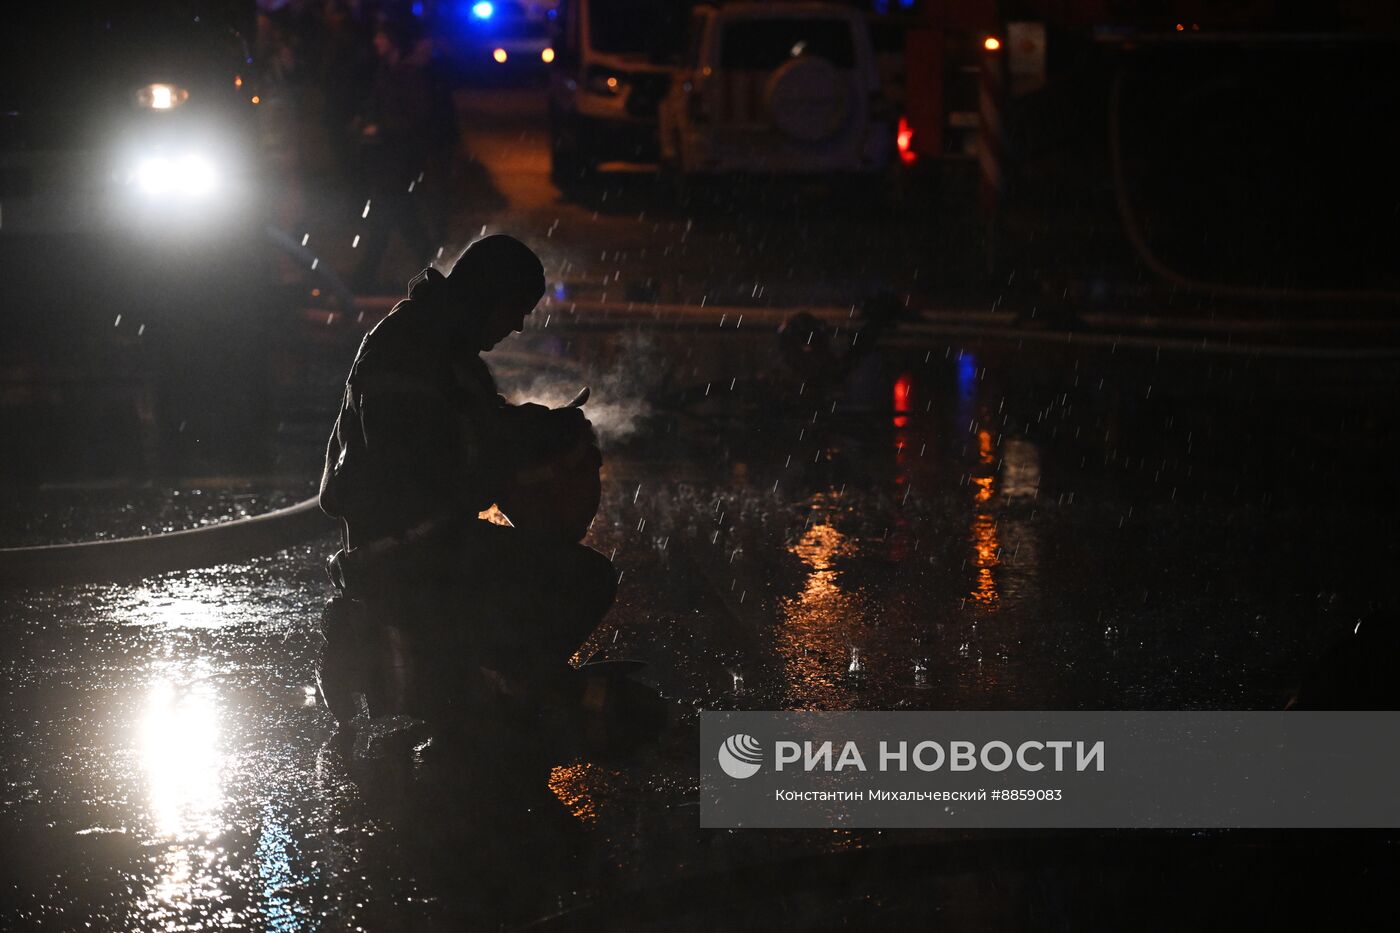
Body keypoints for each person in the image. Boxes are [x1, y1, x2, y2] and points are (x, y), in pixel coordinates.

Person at [318, 235, 614, 724]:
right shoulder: (409, 351)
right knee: (582, 580)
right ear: (486, 297)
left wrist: (538, 426)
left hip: (428, 539)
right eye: (515, 309)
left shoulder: (439, 345)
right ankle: (490, 683)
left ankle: (484, 678)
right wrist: (524, 445)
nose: (517, 326)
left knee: (552, 574)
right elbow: (430, 461)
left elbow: (470, 425)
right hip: (403, 550)